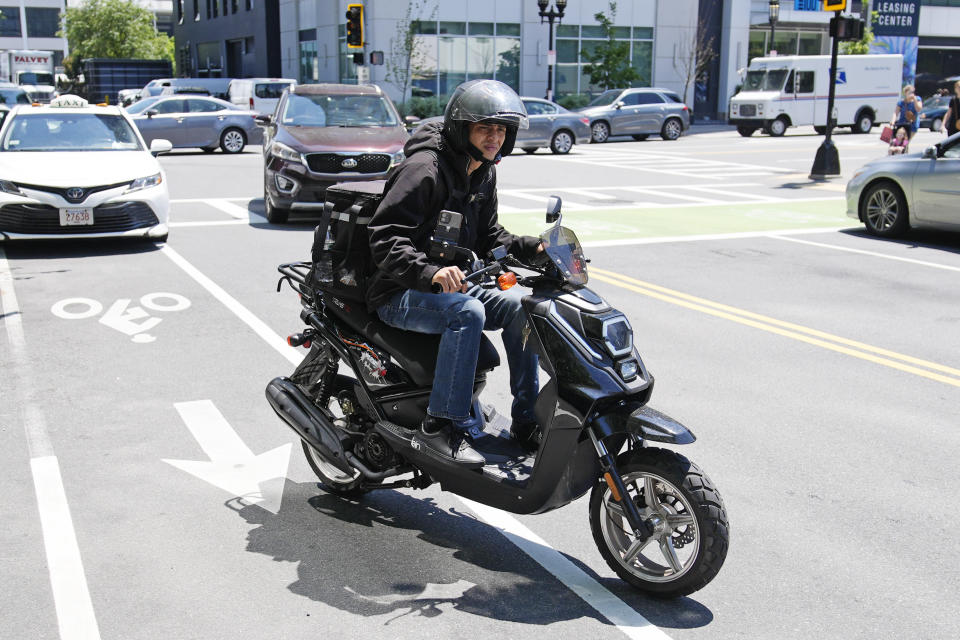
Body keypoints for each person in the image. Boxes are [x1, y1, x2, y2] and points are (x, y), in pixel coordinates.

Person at [366, 79, 542, 466]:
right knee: (468, 313)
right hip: (399, 291)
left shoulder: (483, 171)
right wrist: (430, 271)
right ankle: (441, 426)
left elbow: (488, 236)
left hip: (453, 285)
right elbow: (384, 238)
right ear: (463, 130)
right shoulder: (423, 169)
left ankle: (527, 421)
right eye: (484, 128)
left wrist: (533, 248)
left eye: (500, 130)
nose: (494, 137)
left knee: (522, 308)